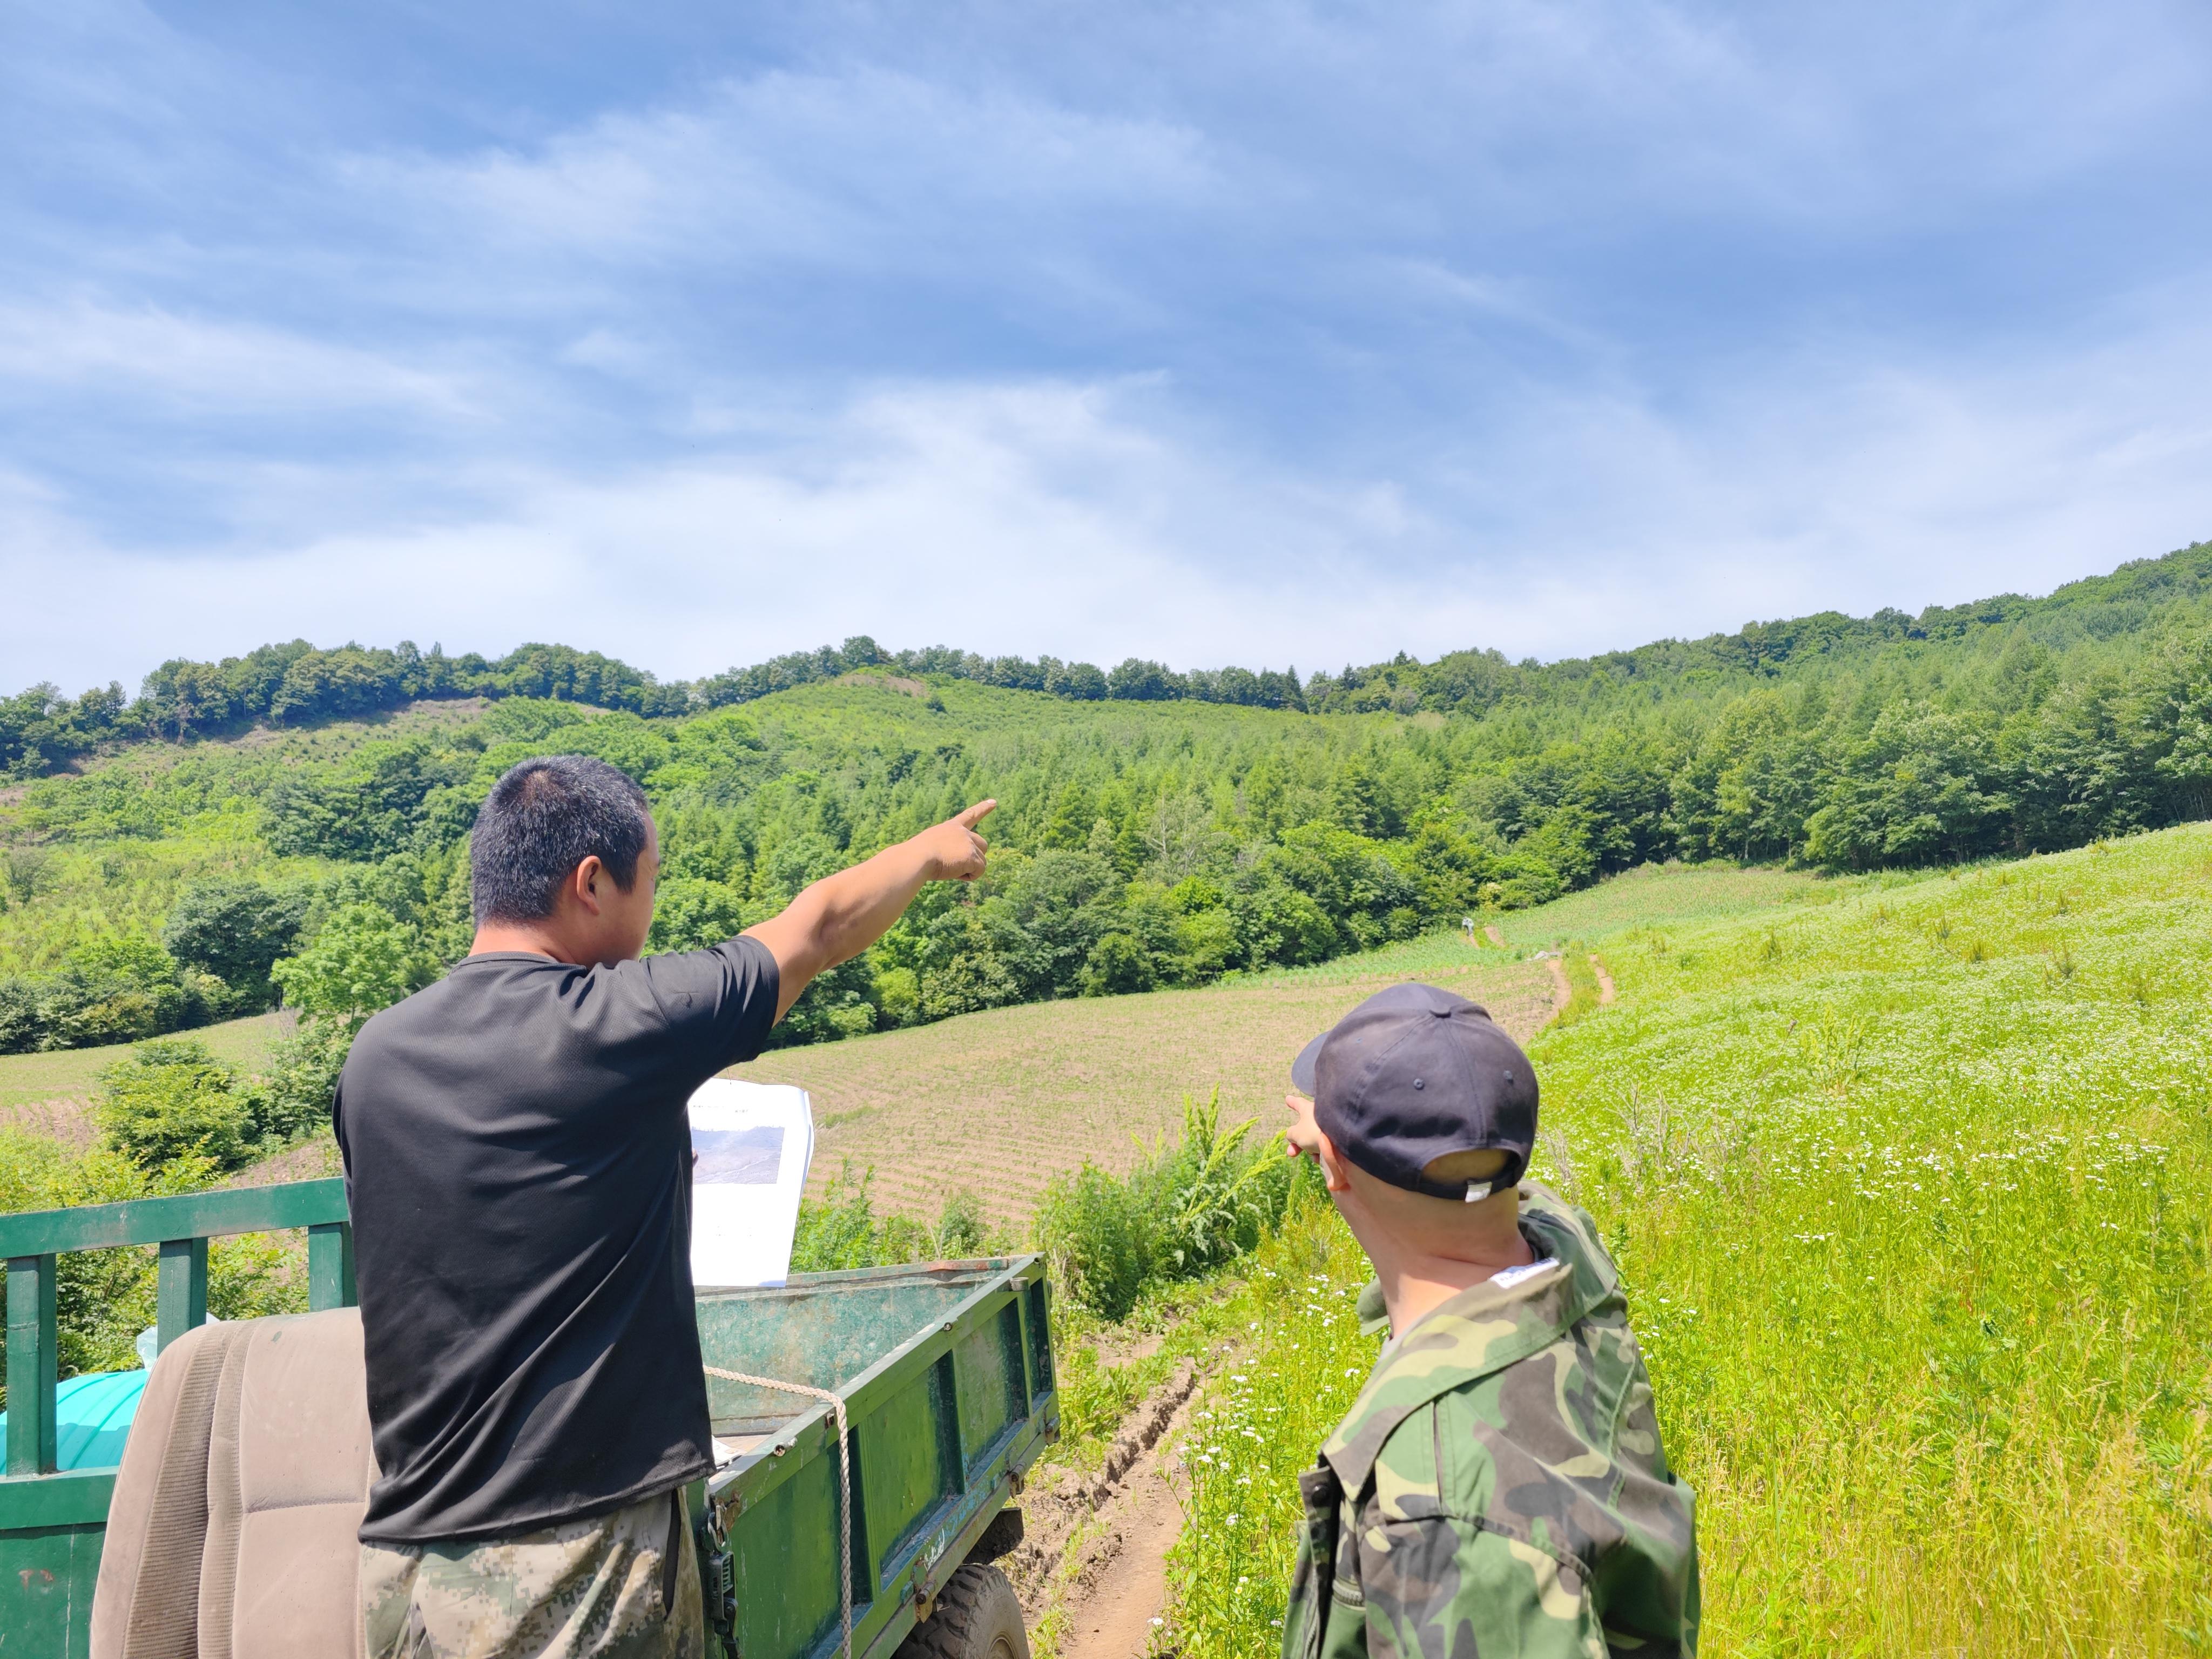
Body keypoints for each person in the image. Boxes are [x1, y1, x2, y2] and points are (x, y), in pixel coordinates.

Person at [336, 754, 995, 1659]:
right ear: (591, 882)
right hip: (569, 1566)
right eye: (651, 881)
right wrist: (926, 851)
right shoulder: (613, 1025)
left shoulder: (374, 1058)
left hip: (402, 1567)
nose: (652, 910)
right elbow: (817, 927)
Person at [1278, 983, 1698, 1658]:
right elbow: (1509, 1196)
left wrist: (1334, 1149)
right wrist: (1335, 1145)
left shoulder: (1440, 1503)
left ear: (1330, 1163)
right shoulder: (1568, 1252)